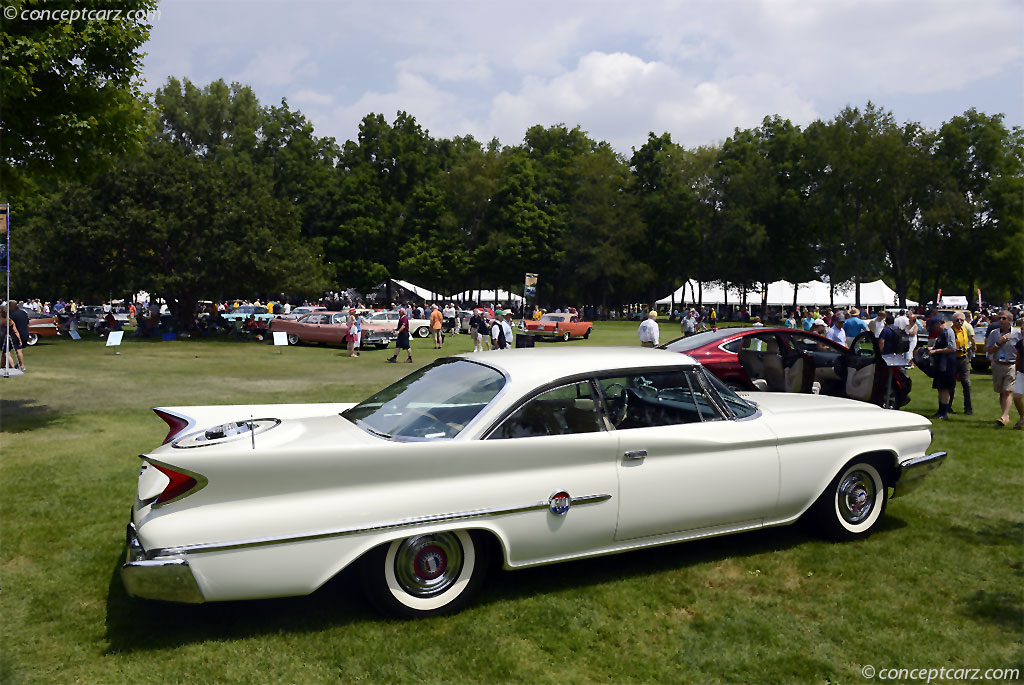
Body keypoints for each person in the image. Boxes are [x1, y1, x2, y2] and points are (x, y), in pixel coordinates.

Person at [986, 310, 1020, 427]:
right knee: (1001, 392)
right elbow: (988, 350)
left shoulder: (1017, 333)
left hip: (1011, 365)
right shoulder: (994, 333)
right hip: (997, 364)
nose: (1000, 320)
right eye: (999, 318)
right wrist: (998, 343)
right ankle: (1005, 415)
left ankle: (1004, 416)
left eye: (1003, 318)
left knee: (1007, 391)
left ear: (1010, 320)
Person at [928, 318, 957, 419]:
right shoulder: (941, 333)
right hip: (941, 365)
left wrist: (935, 352)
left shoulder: (948, 332)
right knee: (940, 389)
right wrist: (929, 349)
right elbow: (938, 346)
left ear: (939, 324)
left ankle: (943, 413)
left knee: (944, 389)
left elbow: (952, 348)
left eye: (934, 326)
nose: (933, 329)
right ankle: (940, 411)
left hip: (947, 365)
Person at [948, 314, 973, 414]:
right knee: (951, 384)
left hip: (963, 359)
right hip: (952, 359)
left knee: (966, 384)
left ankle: (968, 408)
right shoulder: (950, 331)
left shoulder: (964, 330)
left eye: (961, 320)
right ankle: (947, 406)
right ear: (953, 321)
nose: (960, 321)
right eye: (957, 320)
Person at [8, 301, 29, 371]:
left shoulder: (11, 314)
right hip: (25, 333)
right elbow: (27, 323)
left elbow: (10, 325)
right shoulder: (23, 313)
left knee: (7, 350)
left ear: (11, 306)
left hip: (16, 334)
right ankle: (21, 365)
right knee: (19, 349)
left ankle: (12, 365)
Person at [1012, 318, 1023, 429]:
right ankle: (1022, 417)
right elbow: (1018, 358)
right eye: (1022, 329)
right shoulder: (1020, 343)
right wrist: (1016, 371)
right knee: (1017, 397)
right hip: (1022, 373)